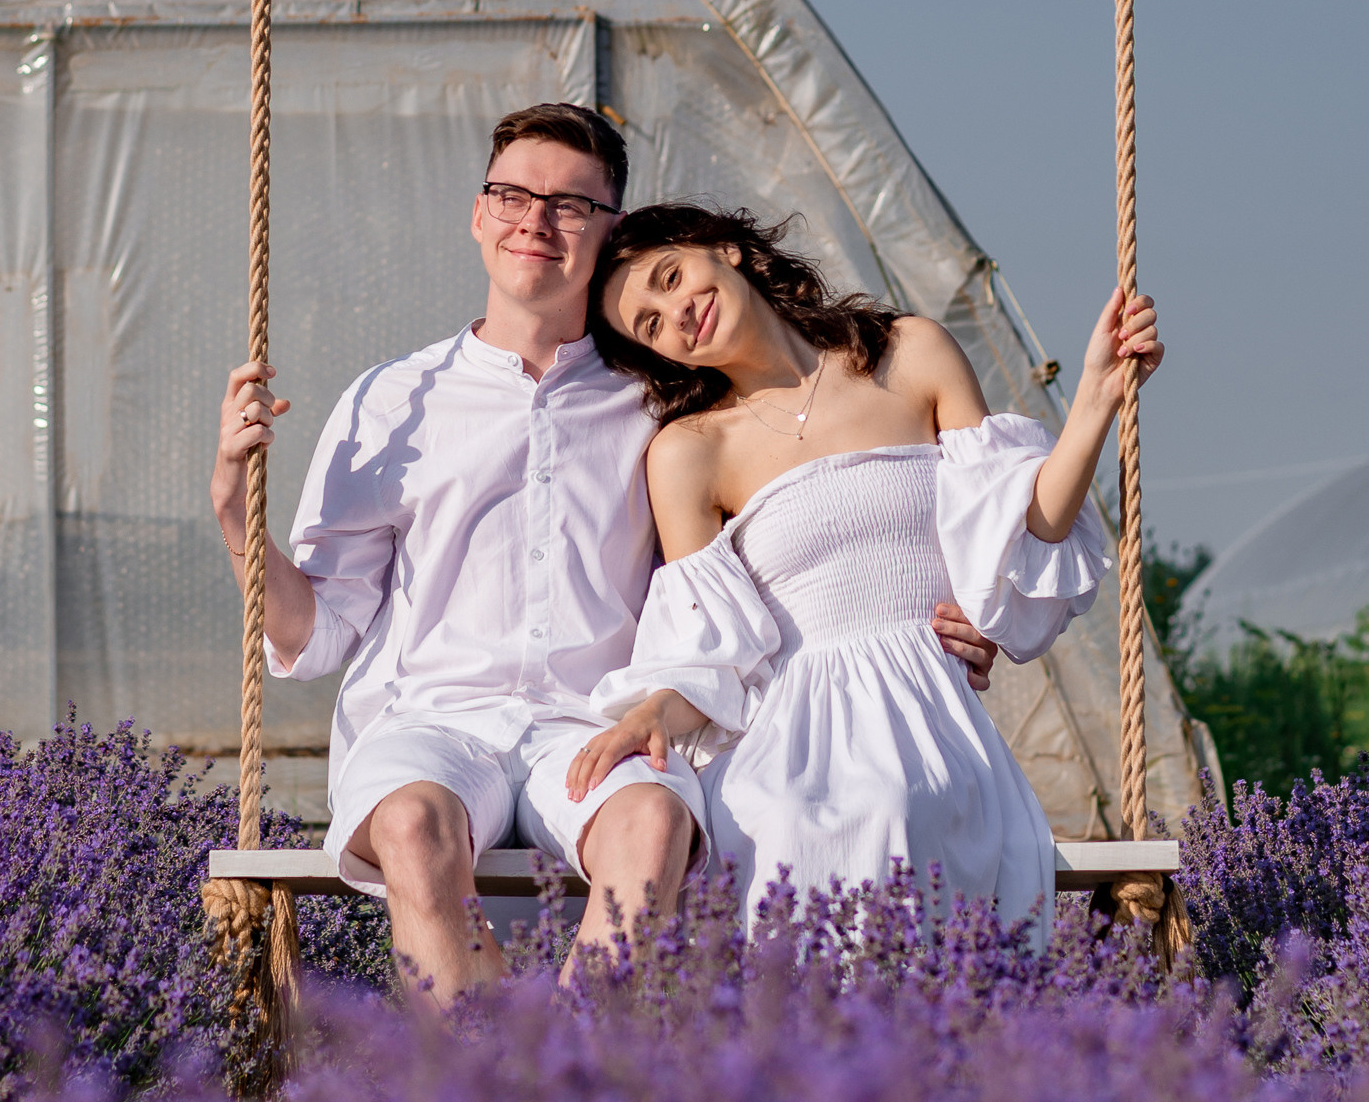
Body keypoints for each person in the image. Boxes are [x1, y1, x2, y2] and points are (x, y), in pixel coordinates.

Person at [209, 104, 1016, 1002]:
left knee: (654, 824)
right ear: (479, 216)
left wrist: (938, 616)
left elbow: (820, 501)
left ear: (610, 231)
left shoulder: (668, 404)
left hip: (595, 727)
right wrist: (240, 518)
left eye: (568, 204)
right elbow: (317, 635)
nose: (535, 221)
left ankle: (574, 1080)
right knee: (411, 825)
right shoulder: (390, 402)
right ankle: (476, 1100)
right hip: (431, 723)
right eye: (512, 195)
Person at [567, 205, 1164, 939]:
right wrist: (655, 710)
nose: (677, 313)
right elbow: (706, 650)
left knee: (906, 805)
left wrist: (1098, 395)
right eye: (650, 325)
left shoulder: (910, 355)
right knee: (791, 827)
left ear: (727, 250)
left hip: (928, 710)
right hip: (793, 732)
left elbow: (1023, 527)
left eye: (671, 277)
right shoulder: (690, 451)